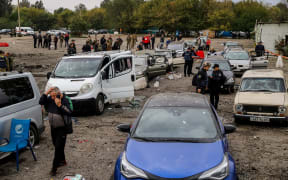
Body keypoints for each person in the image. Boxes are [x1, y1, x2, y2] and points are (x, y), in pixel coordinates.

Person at [39, 87, 72, 176]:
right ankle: (63, 161)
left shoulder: (65, 100)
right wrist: (46, 93)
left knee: (58, 147)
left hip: (62, 128)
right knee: (56, 144)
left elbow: (70, 112)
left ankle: (54, 169)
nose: (52, 98)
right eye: (51, 96)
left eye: (54, 96)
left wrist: (60, 105)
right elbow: (41, 102)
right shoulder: (50, 99)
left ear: (59, 94)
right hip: (53, 127)